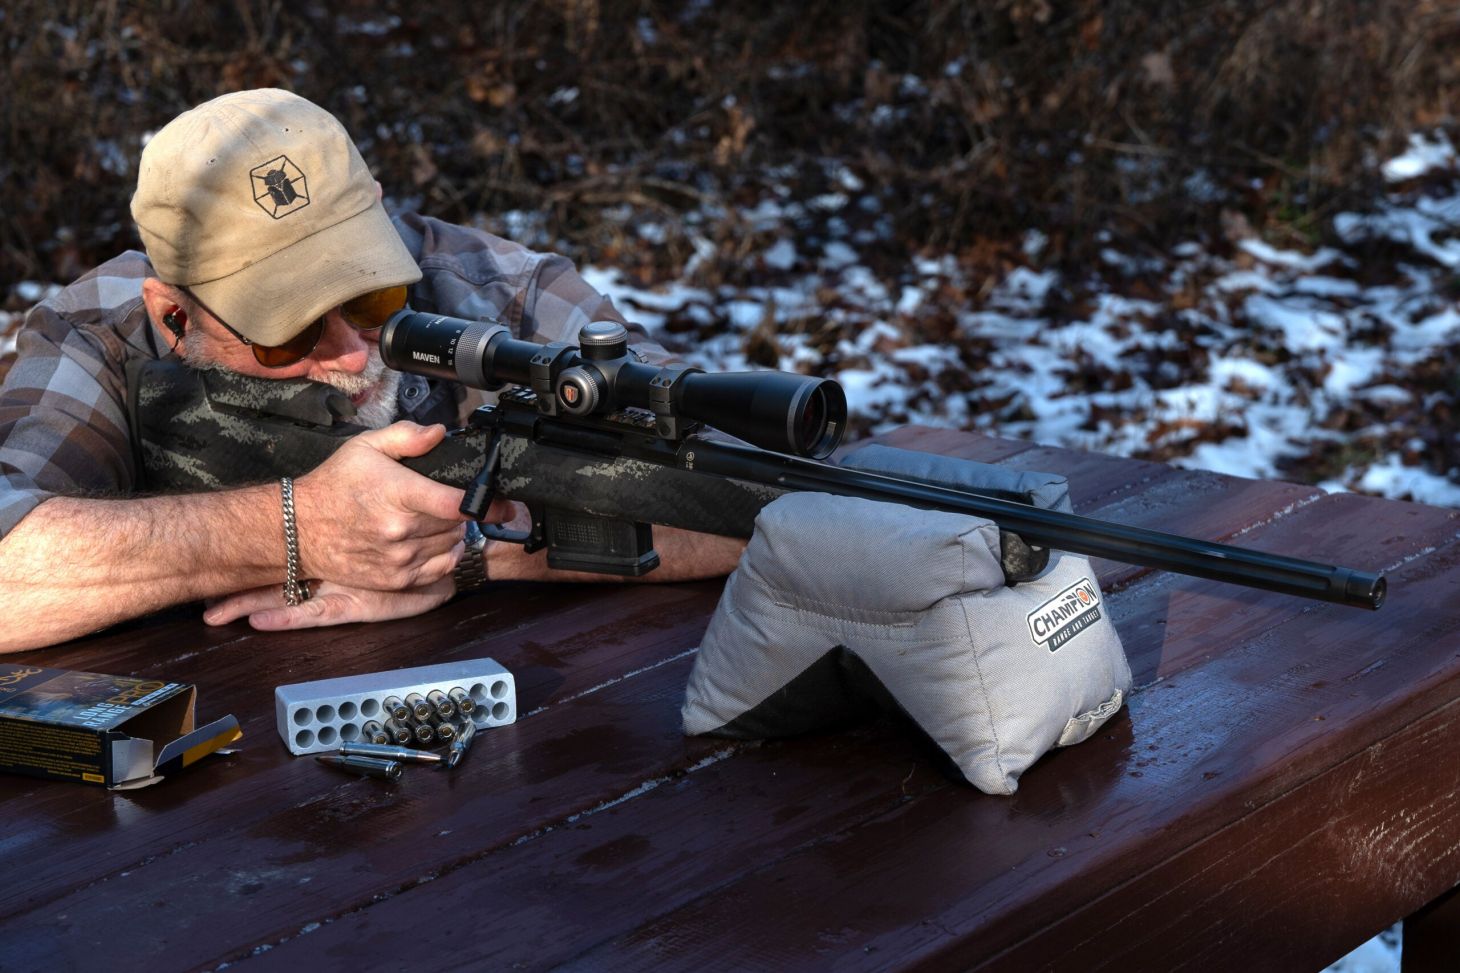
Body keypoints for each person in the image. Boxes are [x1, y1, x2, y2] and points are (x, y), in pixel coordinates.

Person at [0, 88, 744, 654]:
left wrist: (467, 553)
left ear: (378, 216)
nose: (354, 354)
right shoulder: (97, 331)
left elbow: (770, 496)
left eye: (371, 295)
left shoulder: (503, 289)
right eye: (284, 332)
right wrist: (293, 529)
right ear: (174, 316)